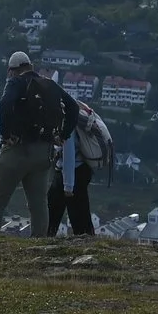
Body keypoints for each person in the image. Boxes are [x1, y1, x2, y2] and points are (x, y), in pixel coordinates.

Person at [0, 51, 76, 238]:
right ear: (30, 66)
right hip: (43, 152)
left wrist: (5, 134)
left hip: (17, 150)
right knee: (38, 203)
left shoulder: (16, 82)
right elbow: (73, 107)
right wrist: (63, 135)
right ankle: (39, 242)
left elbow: (5, 103)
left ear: (12, 70)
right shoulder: (49, 84)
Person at [53, 99, 115, 237]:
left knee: (62, 211)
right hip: (82, 169)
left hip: (72, 173)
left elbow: (68, 154)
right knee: (80, 212)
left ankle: (45, 236)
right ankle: (86, 240)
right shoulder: (77, 111)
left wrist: (68, 186)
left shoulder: (66, 120)